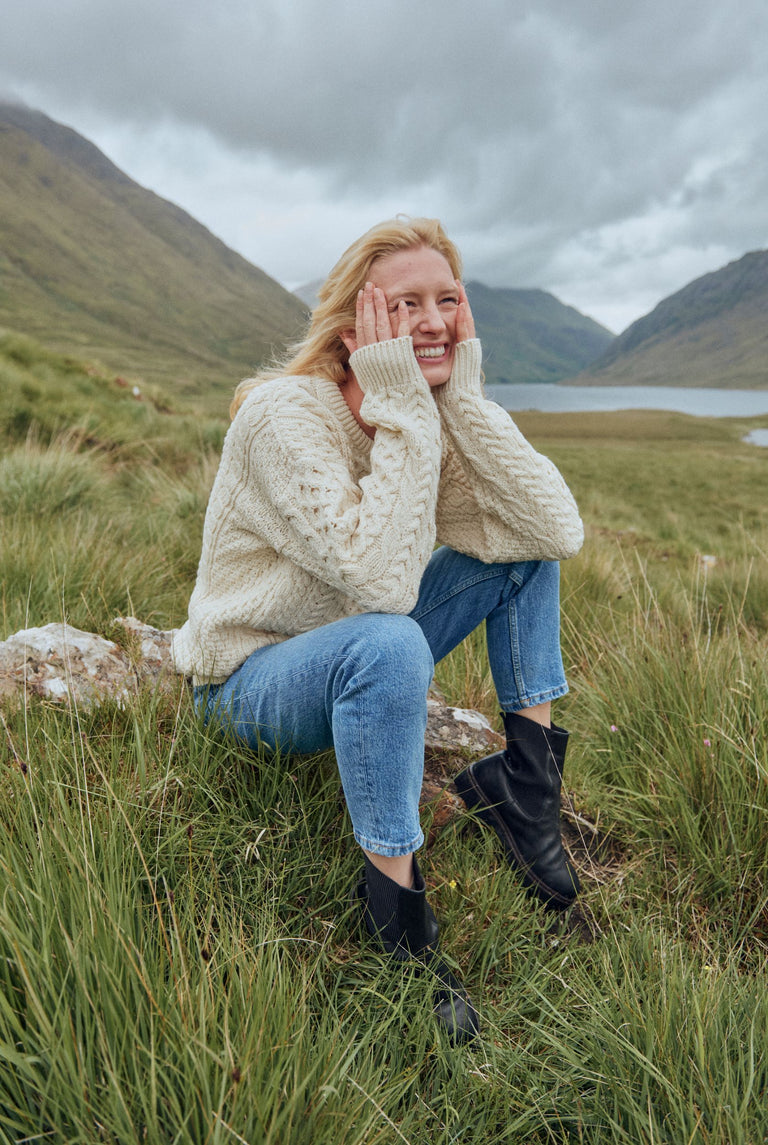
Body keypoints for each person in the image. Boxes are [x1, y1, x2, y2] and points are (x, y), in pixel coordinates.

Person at [172, 217, 584, 1044]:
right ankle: (397, 912)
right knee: (391, 638)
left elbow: (556, 529)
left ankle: (524, 792)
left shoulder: (427, 412)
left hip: (361, 643)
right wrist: (403, 404)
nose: (432, 321)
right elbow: (383, 584)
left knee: (523, 551)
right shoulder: (284, 418)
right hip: (250, 679)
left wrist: (458, 400)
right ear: (357, 321)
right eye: (407, 304)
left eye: (448, 300)